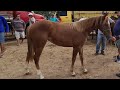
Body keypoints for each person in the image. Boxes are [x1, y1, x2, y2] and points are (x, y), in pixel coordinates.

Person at [111, 11, 120, 77]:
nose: (117, 13)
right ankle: (118, 57)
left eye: (118, 12)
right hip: (117, 39)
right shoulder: (118, 19)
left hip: (118, 38)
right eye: (117, 12)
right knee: (119, 51)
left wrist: (117, 37)